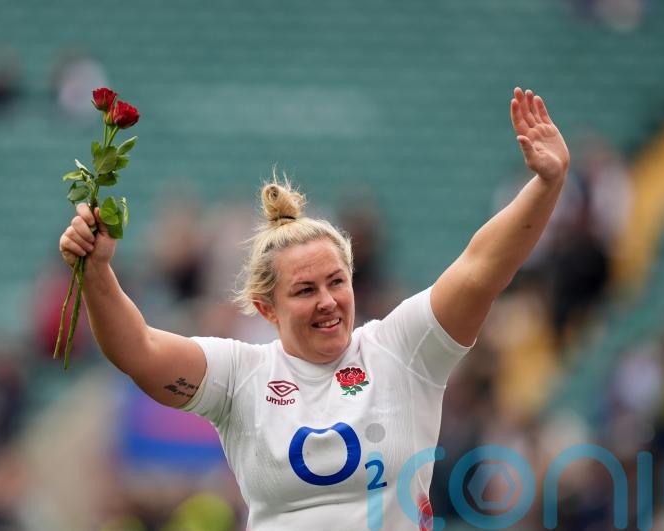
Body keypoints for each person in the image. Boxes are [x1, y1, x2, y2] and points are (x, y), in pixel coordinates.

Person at [58, 87, 570, 530]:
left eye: (336, 283)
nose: (327, 301)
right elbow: (139, 351)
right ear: (266, 309)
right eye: (304, 291)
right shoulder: (240, 375)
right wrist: (98, 271)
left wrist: (546, 185)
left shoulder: (400, 350)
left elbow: (481, 268)